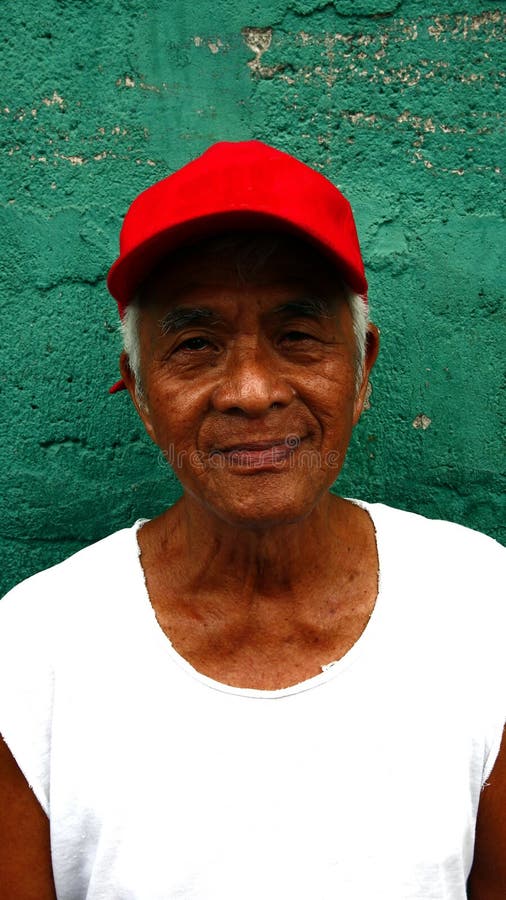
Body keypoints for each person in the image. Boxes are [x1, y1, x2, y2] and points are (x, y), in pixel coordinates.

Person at [0, 140, 504, 900]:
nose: (252, 390)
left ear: (362, 367)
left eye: (297, 336)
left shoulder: (481, 604)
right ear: (138, 388)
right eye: (195, 345)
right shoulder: (34, 652)